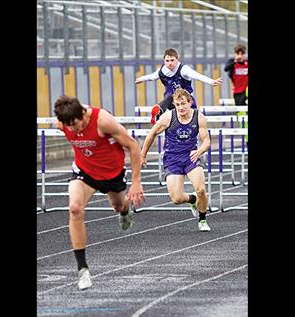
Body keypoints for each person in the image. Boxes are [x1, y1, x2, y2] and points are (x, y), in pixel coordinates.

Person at [54, 95, 145, 291]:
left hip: (111, 173)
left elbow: (133, 145)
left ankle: (124, 211)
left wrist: (136, 182)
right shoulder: (62, 123)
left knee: (118, 205)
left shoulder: (102, 121)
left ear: (83, 115)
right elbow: (67, 121)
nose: (73, 129)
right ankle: (82, 269)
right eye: (68, 126)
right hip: (84, 172)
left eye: (76, 124)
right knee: (75, 208)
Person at [140, 88, 211, 232]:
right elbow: (152, 133)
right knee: (176, 199)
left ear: (190, 102)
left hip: (191, 156)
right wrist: (142, 155)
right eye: (177, 104)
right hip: (172, 158)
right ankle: (192, 200)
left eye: (183, 103)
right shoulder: (168, 117)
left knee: (201, 189)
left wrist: (199, 151)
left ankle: (202, 220)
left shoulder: (199, 117)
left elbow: (207, 141)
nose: (181, 107)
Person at [135, 48, 222, 124]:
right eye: (167, 61)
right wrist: (141, 79)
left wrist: (211, 81)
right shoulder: (162, 70)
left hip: (186, 99)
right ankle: (158, 111)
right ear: (164, 61)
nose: (169, 63)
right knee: (172, 98)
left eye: (172, 60)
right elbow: (153, 76)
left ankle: (160, 110)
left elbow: (197, 76)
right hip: (173, 101)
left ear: (177, 60)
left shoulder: (184, 69)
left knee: (194, 116)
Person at [224, 44, 248, 142]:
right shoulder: (232, 63)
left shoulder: (247, 63)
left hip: (246, 90)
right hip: (238, 93)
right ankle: (247, 139)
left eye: (242, 54)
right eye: (238, 53)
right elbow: (226, 68)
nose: (240, 55)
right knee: (242, 117)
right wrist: (235, 61)